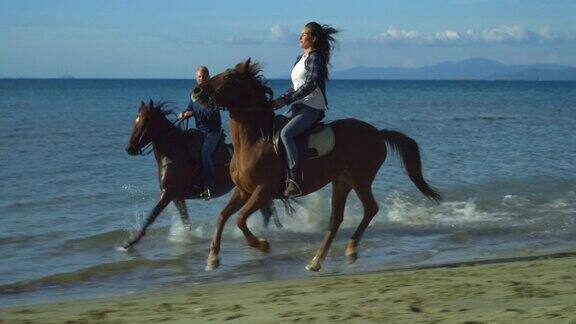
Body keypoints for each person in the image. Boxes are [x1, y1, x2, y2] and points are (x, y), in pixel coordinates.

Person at [270, 22, 339, 197]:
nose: (300, 37)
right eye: (300, 34)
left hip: (312, 107)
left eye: (304, 34)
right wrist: (279, 100)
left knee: (286, 134)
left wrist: (286, 100)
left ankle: (294, 179)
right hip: (297, 106)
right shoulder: (299, 59)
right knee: (273, 126)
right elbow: (294, 87)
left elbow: (310, 84)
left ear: (313, 39)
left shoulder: (315, 57)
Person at [179, 66, 223, 200]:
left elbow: (211, 112)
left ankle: (208, 187)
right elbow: (190, 108)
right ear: (196, 78)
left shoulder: (212, 94)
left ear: (209, 77)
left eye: (204, 77)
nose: (201, 79)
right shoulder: (194, 94)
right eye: (199, 77)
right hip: (200, 132)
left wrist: (192, 113)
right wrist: (183, 113)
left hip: (213, 132)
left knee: (204, 153)